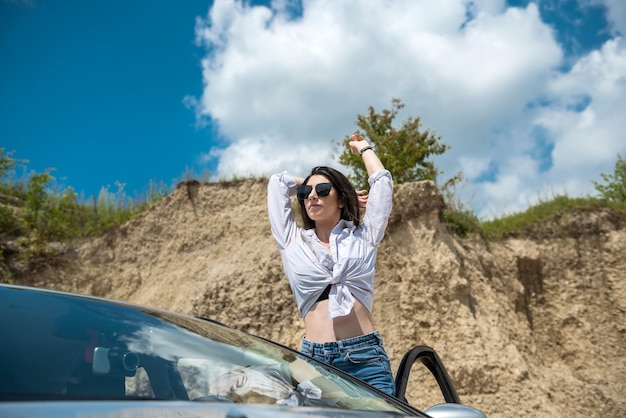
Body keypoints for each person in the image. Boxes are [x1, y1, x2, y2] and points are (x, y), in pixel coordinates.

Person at [267, 133, 395, 396]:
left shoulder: (364, 236)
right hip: (314, 364)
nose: (312, 197)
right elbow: (278, 183)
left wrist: (363, 148)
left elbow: (382, 185)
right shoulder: (292, 242)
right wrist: (312, 185)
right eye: (306, 194)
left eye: (323, 191)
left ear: (340, 200)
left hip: (365, 359)